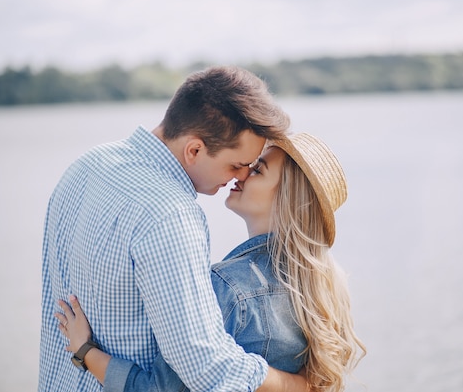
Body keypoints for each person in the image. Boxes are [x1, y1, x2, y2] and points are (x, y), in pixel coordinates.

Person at [39, 66, 308, 392]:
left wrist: (85, 353)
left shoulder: (86, 166)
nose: (240, 177)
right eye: (236, 164)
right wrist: (298, 385)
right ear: (194, 149)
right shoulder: (170, 216)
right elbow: (206, 367)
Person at [56, 132, 367, 392]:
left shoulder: (228, 286)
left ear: (287, 199)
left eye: (257, 170)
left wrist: (85, 351)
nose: (242, 172)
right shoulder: (320, 289)